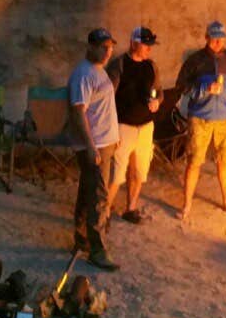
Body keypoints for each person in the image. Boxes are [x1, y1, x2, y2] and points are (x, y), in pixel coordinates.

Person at [175, 20, 226, 221]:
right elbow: (182, 86)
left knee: (224, 161)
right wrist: (204, 89)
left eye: (220, 38)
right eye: (213, 38)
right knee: (194, 162)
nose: (217, 42)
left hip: (225, 121)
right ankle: (187, 205)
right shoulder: (195, 60)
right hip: (200, 119)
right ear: (206, 37)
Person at [68, 28, 121, 271]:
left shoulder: (98, 71)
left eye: (110, 46)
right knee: (99, 196)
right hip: (95, 145)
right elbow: (79, 112)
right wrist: (90, 147)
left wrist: (115, 137)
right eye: (103, 46)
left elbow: (104, 108)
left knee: (88, 189)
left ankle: (81, 238)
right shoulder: (83, 74)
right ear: (90, 46)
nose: (108, 51)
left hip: (104, 142)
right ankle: (97, 250)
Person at [105, 26, 162, 225]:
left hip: (145, 126)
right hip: (124, 126)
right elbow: (107, 96)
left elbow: (158, 91)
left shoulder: (151, 66)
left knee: (139, 171)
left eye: (150, 45)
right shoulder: (118, 65)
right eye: (146, 44)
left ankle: (131, 208)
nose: (149, 49)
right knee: (118, 173)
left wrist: (157, 102)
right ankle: (104, 211)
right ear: (134, 43)